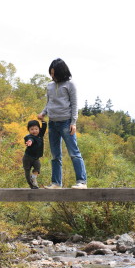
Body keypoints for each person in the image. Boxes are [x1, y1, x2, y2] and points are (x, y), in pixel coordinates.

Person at [38, 58, 87, 189]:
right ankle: (56, 183)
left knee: (74, 153)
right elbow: (49, 103)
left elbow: (75, 104)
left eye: (54, 73)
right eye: (51, 73)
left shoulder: (70, 85)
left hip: (66, 123)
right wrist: (43, 113)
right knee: (55, 155)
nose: (52, 76)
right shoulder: (49, 86)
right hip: (52, 123)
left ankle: (82, 182)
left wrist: (74, 122)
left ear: (61, 72)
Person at [23, 120, 47, 189]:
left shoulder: (40, 135)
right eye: (32, 129)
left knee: (37, 167)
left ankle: (33, 177)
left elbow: (44, 129)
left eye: (36, 129)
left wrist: (43, 121)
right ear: (29, 130)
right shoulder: (29, 137)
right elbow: (30, 139)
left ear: (39, 129)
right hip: (27, 158)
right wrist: (29, 141)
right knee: (27, 172)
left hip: (36, 158)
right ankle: (32, 185)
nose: (34, 131)